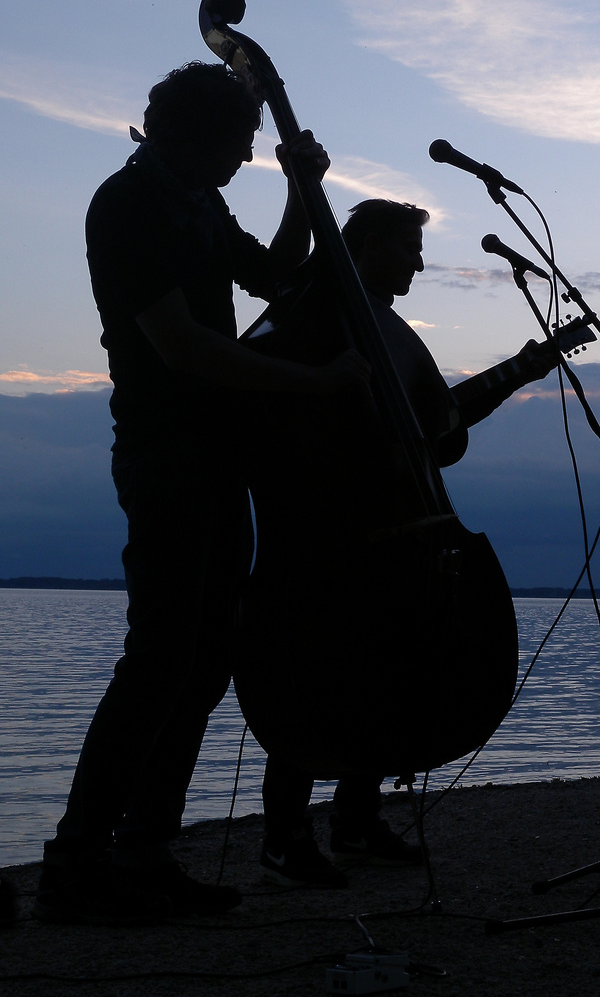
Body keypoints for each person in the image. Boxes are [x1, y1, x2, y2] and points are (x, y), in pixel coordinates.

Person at [33, 61, 369, 925]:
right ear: (196, 136)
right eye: (241, 143)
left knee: (204, 658)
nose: (248, 158)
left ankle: (143, 851)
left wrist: (303, 191)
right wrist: (312, 387)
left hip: (220, 453)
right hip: (165, 453)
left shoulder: (201, 201)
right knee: (159, 658)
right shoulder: (128, 202)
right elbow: (181, 346)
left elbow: (277, 276)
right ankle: (78, 860)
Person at [254, 199, 557, 889]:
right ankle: (283, 835)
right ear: (368, 246)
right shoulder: (319, 310)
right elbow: (269, 383)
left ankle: (355, 823)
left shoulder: (391, 330)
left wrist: (519, 371)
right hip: (331, 536)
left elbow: (436, 430)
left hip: (392, 535)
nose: (420, 262)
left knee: (384, 671)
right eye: (408, 248)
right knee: (318, 673)